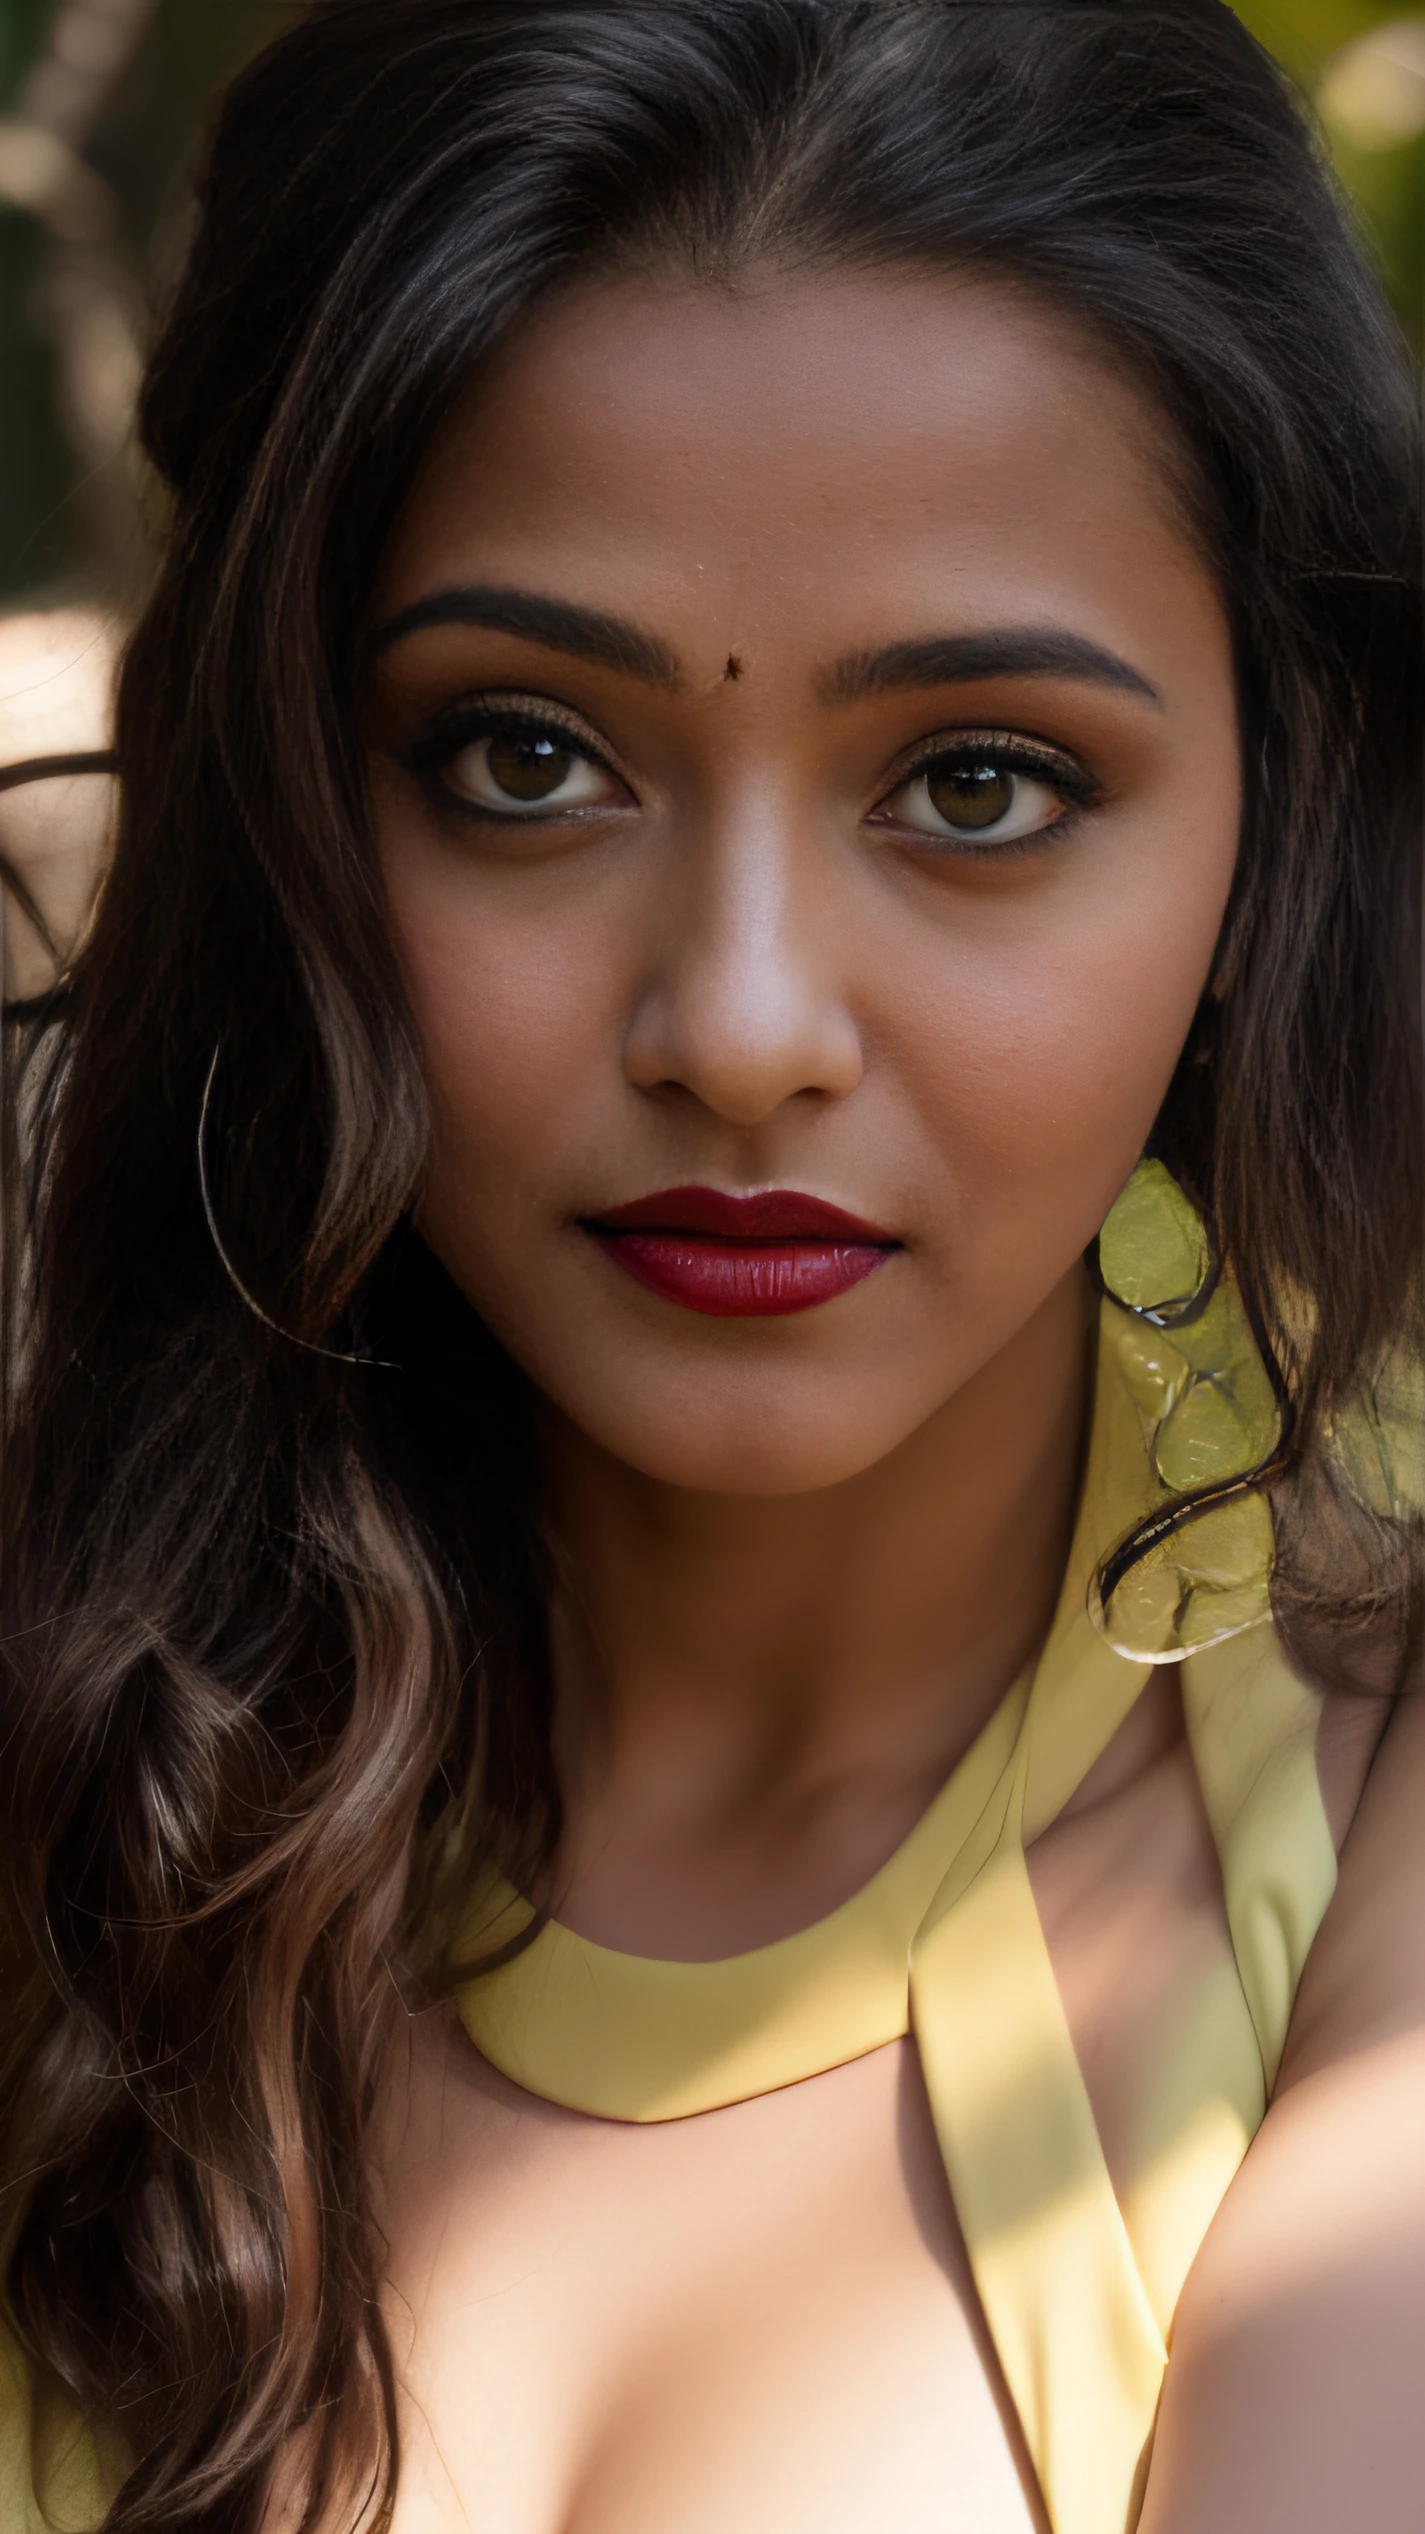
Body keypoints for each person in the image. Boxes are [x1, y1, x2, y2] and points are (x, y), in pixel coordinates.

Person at [2, 1, 1422, 2527]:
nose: (743, 1026)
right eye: (525, 755)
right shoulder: (72, 1721)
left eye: (979, 783)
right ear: (293, 802)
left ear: (1267, 825)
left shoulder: (1371, 1810)